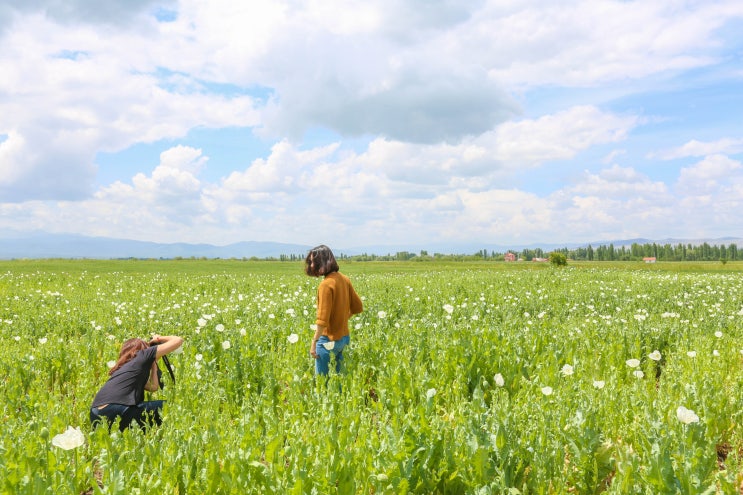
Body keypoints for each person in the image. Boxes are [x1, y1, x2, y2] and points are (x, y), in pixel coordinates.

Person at [90, 334, 183, 431]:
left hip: (96, 414)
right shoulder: (142, 354)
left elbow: (153, 387)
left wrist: (154, 365)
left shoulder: (124, 369)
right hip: (118, 409)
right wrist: (158, 338)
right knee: (170, 407)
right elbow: (178, 340)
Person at [305, 245, 363, 375]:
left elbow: (322, 321)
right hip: (344, 339)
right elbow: (357, 307)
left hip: (327, 341)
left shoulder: (326, 285)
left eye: (314, 261)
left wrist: (314, 343)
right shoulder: (344, 279)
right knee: (340, 383)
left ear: (323, 261)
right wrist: (341, 319)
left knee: (323, 385)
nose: (312, 265)